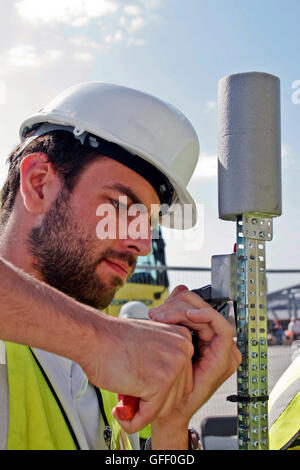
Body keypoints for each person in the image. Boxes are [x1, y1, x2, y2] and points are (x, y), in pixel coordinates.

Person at [0, 82, 241, 450]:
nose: (141, 243)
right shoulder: (103, 347)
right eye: (121, 206)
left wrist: (171, 422)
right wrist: (101, 339)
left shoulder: (114, 372)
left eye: (148, 222)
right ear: (38, 184)